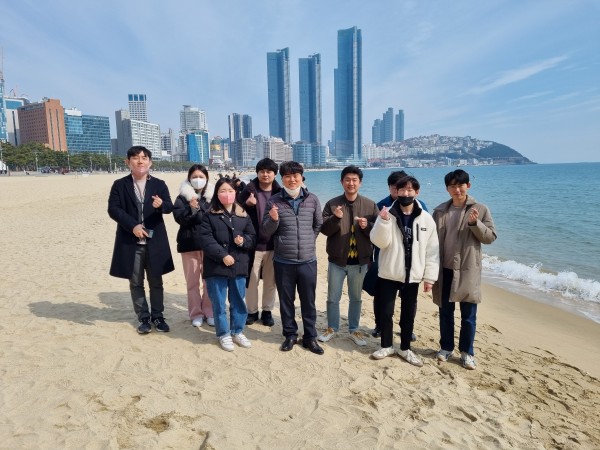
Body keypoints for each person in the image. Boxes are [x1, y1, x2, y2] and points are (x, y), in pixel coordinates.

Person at [369, 176, 439, 366]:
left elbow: (432, 250)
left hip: (413, 275)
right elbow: (379, 242)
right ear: (396, 192)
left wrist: (430, 277)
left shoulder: (426, 219)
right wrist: (383, 222)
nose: (405, 194)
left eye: (409, 190)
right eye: (401, 190)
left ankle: (405, 348)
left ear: (417, 192)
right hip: (389, 272)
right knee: (386, 312)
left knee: (408, 314)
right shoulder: (387, 214)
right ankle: (386, 345)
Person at [432, 169, 497, 370]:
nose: (457, 190)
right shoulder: (440, 211)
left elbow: (490, 237)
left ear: (468, 186)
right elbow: (431, 241)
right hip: (444, 269)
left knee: (468, 316)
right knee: (445, 312)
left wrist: (474, 223)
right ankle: (446, 347)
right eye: (452, 186)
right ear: (447, 189)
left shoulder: (480, 209)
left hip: (468, 269)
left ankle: (467, 353)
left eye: (460, 185)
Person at [108, 146, 175, 334]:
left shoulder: (159, 184)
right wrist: (133, 226)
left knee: (156, 281)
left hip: (155, 241)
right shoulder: (120, 185)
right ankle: (144, 318)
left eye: (144, 158)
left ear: (150, 162)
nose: (140, 161)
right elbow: (113, 209)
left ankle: (158, 316)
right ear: (128, 162)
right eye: (135, 158)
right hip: (131, 241)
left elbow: (170, 207)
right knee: (136, 282)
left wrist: (161, 205)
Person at [262, 161, 324, 355]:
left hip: (308, 261)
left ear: (301, 177)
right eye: (287, 176)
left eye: (295, 175)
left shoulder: (312, 199)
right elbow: (266, 230)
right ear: (282, 179)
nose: (292, 179)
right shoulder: (274, 201)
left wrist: (308, 240)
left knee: (309, 301)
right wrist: (273, 219)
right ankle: (290, 335)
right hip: (283, 261)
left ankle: (310, 337)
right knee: (286, 301)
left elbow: (318, 224)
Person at [318, 165, 379, 346]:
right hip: (337, 261)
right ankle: (332, 328)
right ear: (341, 182)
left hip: (360, 262)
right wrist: (335, 218)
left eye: (354, 180)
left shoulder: (370, 205)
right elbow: (324, 230)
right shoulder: (332, 204)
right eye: (347, 180)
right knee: (332, 298)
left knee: (356, 298)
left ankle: (354, 330)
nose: (351, 183)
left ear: (360, 183)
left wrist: (367, 226)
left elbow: (379, 232)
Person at [199, 177, 256, 352]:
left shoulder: (243, 214)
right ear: (217, 193)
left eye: (230, 191)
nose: (227, 194)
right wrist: (222, 255)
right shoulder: (209, 215)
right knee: (218, 302)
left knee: (238, 301)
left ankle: (237, 331)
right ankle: (223, 334)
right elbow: (206, 239)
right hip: (216, 266)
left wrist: (243, 241)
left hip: (239, 265)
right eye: (222, 191)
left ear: (236, 193)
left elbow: (252, 237)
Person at [371, 170, 428, 339]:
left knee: (409, 299)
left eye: (405, 188)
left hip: (411, 262)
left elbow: (425, 233)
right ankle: (380, 326)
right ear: (390, 188)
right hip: (386, 260)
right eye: (396, 187)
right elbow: (375, 234)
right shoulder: (382, 206)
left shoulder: (420, 206)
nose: (401, 192)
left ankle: (407, 330)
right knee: (382, 297)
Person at [237, 158, 282, 327]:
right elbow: (235, 211)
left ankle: (267, 311)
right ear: (257, 173)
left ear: (275, 174)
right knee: (251, 281)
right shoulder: (249, 190)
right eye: (262, 171)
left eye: (269, 171)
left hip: (273, 244)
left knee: (270, 281)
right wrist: (247, 205)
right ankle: (252, 311)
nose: (265, 174)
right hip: (253, 245)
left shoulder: (280, 193)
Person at [173, 164, 215, 328]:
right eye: (194, 177)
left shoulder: (213, 196)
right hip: (189, 244)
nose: (198, 180)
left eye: (201, 177)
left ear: (207, 178)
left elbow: (216, 219)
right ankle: (196, 313)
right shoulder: (182, 197)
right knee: (192, 282)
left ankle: (209, 312)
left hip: (210, 245)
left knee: (209, 281)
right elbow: (179, 219)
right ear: (189, 178)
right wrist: (191, 209)